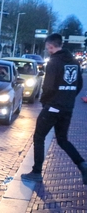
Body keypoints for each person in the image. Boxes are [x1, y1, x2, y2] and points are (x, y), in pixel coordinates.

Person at [21, 33, 87, 184]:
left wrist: (45, 102)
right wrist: (68, 98)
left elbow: (48, 87)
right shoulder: (75, 63)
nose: (47, 50)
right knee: (63, 140)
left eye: (47, 47)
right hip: (67, 108)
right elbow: (79, 85)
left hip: (53, 107)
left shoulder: (54, 62)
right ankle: (82, 164)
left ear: (51, 46)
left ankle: (36, 171)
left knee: (39, 137)